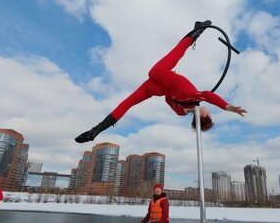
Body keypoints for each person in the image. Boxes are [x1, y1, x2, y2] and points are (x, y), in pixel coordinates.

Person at [75, 20, 247, 143]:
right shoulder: (181, 111)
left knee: (178, 51)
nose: (208, 110)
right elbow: (167, 99)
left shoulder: (192, 98)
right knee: (128, 103)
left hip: (162, 75)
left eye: (209, 112)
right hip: (157, 89)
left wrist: (227, 107)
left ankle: (198, 31)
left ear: (203, 115)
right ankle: (96, 130)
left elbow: (207, 94)